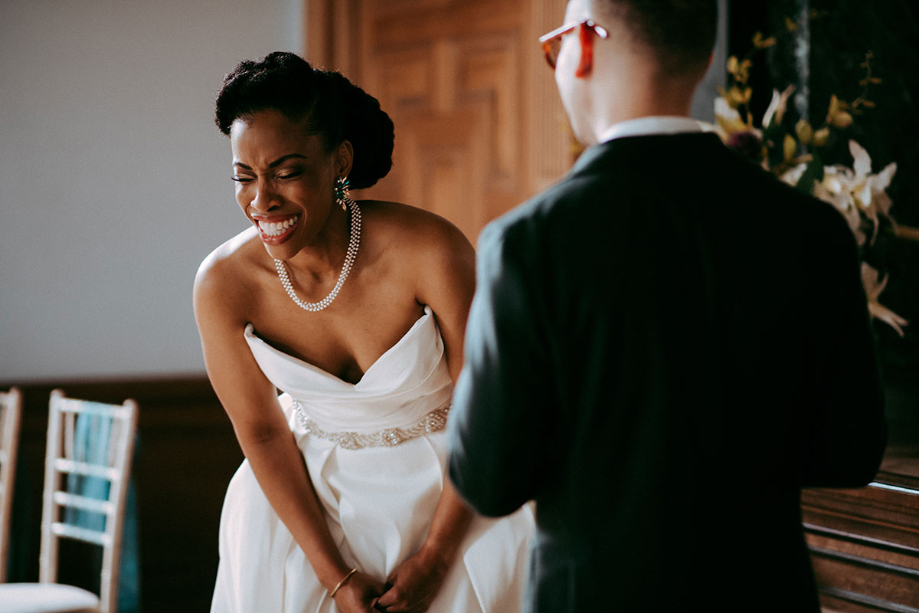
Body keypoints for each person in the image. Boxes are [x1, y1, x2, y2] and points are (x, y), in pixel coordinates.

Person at [447, 0, 888, 611]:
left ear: (585, 44)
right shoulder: (812, 230)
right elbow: (851, 451)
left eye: (555, 48)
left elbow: (486, 479)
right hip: (764, 594)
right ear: (707, 56)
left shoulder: (530, 242)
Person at [194, 51, 533, 613]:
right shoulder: (224, 285)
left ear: (339, 161)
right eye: (243, 177)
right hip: (307, 514)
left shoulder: (430, 249)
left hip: (457, 495)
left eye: (287, 171)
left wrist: (437, 558)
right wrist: (334, 575)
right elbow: (263, 433)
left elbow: (488, 410)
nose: (261, 201)